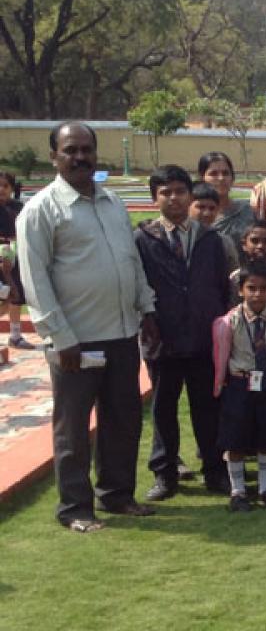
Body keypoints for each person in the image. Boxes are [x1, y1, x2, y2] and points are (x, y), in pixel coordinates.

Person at [17, 121, 158, 531]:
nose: (80, 157)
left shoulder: (112, 203)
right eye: (71, 150)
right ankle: (75, 509)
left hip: (119, 335)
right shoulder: (41, 210)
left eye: (86, 150)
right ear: (54, 157)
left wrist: (146, 310)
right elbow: (35, 281)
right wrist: (60, 338)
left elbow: (130, 262)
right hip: (74, 341)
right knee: (74, 428)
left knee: (123, 419)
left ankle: (116, 494)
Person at [135, 165, 230, 502]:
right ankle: (165, 473)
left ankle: (215, 470)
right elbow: (138, 285)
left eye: (179, 191)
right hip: (163, 336)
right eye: (165, 192)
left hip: (205, 336)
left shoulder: (209, 238)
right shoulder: (144, 239)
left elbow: (222, 285)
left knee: (208, 407)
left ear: (190, 195)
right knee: (163, 408)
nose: (173, 198)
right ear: (154, 199)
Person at [211, 262, 266, 511]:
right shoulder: (227, 322)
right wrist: (220, 384)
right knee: (235, 440)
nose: (257, 294)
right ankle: (238, 491)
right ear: (240, 290)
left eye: (263, 289)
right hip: (239, 383)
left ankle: (265, 488)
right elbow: (220, 354)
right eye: (251, 288)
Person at [0, 170, 32, 349]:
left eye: (5, 186)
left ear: (12, 188)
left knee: (16, 297)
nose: (1, 189)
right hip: (0, 258)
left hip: (15, 257)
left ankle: (15, 335)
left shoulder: (18, 207)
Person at [197, 151, 256, 246]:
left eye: (225, 173)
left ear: (232, 178)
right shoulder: (195, 214)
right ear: (202, 178)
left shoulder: (248, 210)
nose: (221, 178)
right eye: (213, 174)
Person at [190, 182, 241, 273]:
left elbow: (234, 274)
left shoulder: (224, 242)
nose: (207, 213)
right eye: (201, 207)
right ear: (187, 206)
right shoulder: (176, 239)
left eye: (212, 208)